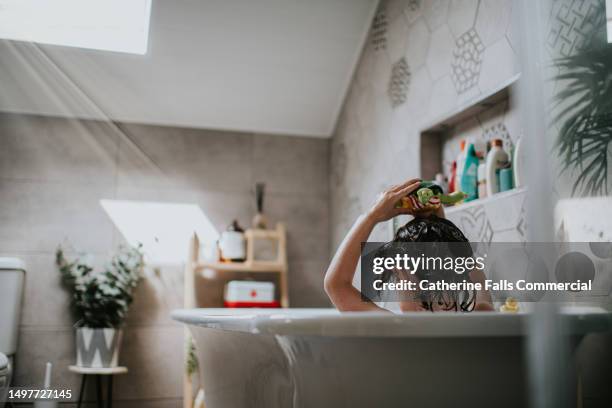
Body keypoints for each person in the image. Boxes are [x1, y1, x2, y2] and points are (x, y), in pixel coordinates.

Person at [324, 178, 494, 312]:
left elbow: (336, 285)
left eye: (398, 280)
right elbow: (478, 280)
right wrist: (440, 227)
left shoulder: (397, 327)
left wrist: (372, 216)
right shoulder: (480, 314)